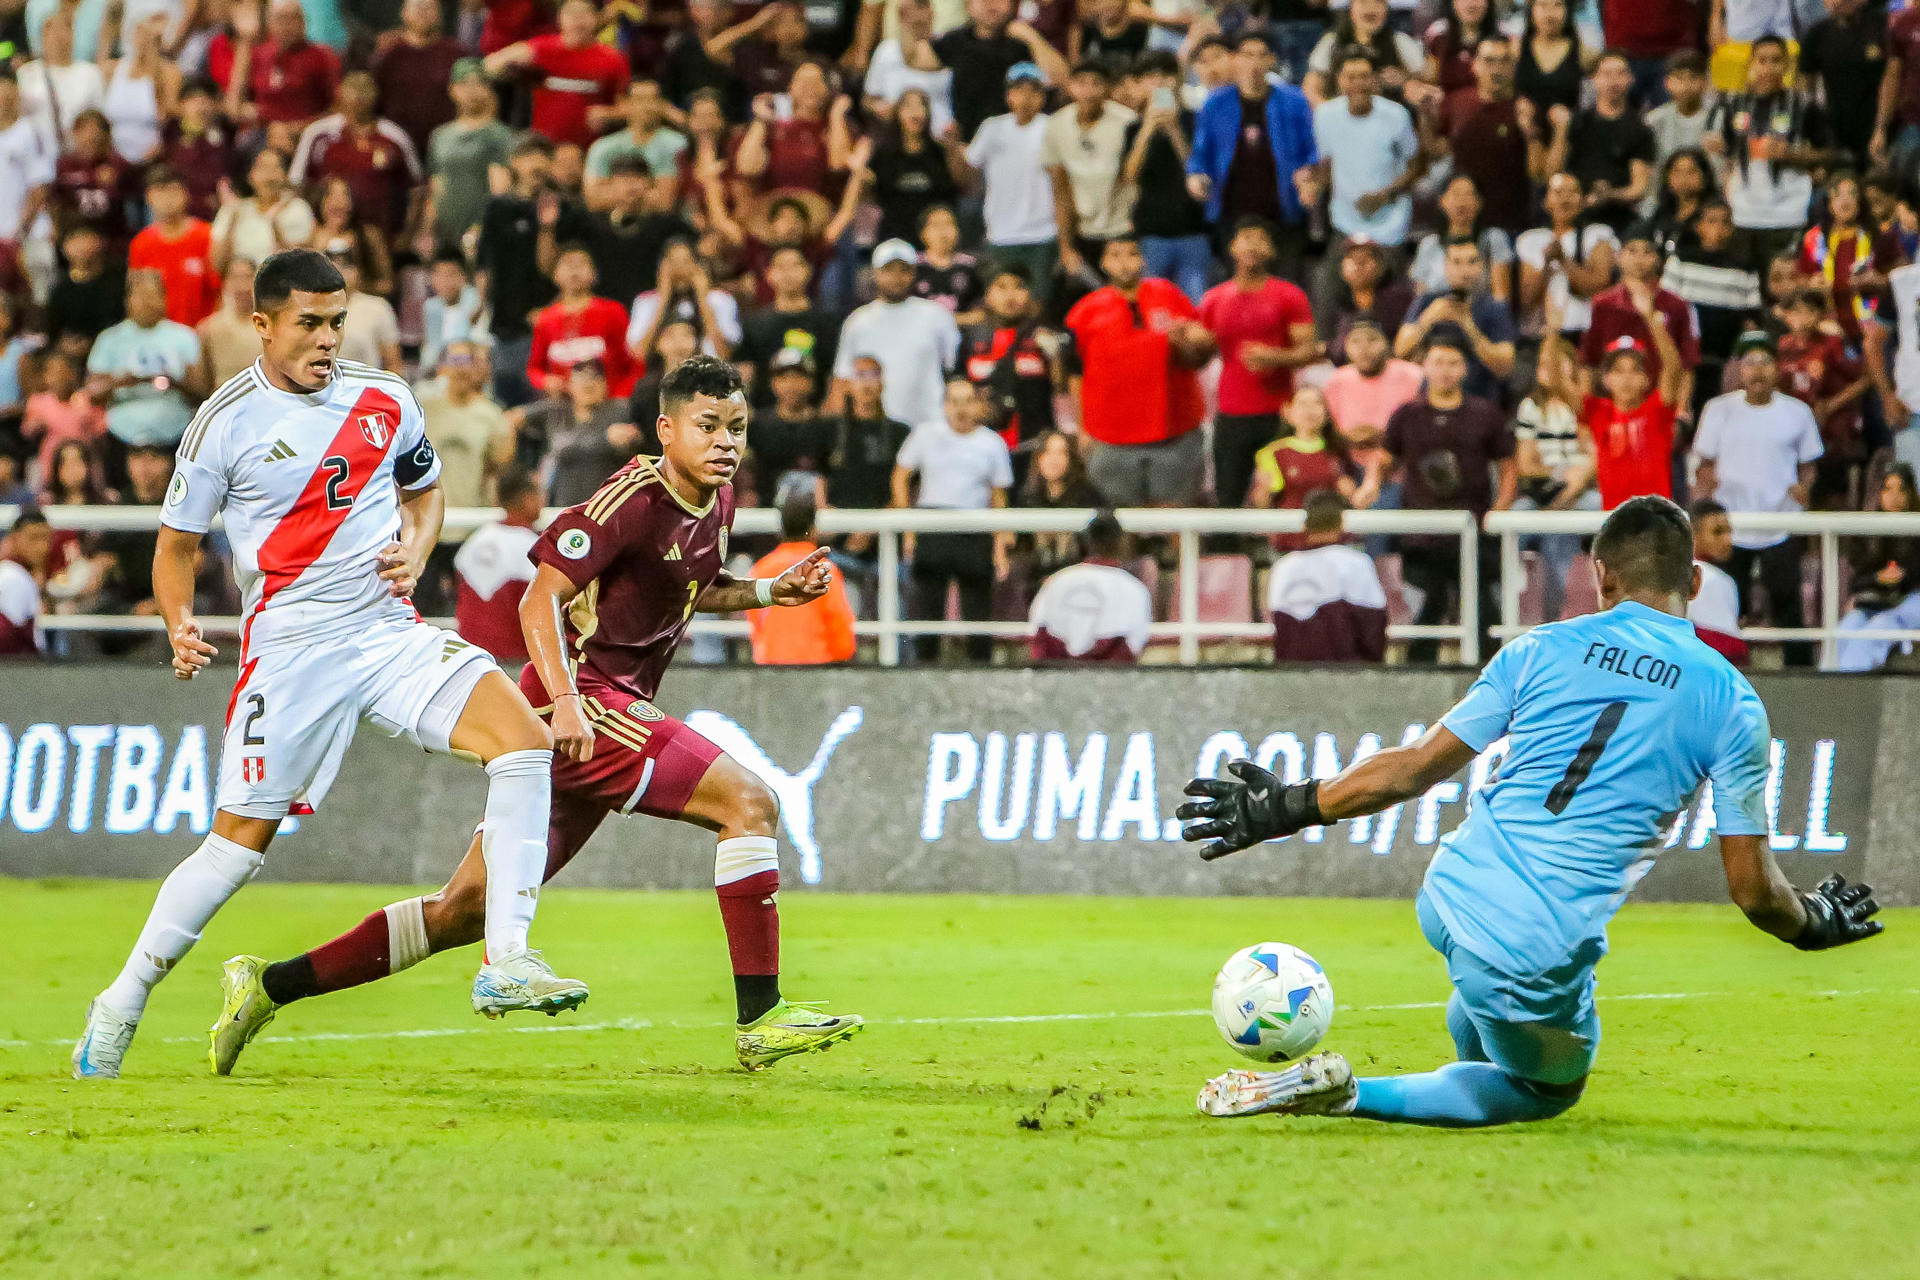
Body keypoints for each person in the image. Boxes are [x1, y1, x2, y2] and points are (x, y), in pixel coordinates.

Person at [214, 356, 866, 1076]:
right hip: (585, 700)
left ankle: (267, 985)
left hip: (606, 712)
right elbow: (537, 600)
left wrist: (771, 592)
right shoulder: (629, 499)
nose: (725, 442)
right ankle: (761, 1018)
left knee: (462, 910)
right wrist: (562, 704)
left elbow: (692, 585)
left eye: (736, 428)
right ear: (666, 429)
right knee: (749, 802)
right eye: (708, 426)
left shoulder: (717, 500)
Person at [1182, 495, 1884, 1126]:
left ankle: (1477, 1054)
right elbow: (1754, 890)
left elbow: (1413, 769)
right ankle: (1343, 1093)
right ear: (1694, 581)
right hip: (1532, 942)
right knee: (1544, 1090)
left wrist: (1290, 806)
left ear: (1601, 575)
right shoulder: (1731, 702)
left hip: (1452, 888)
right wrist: (1809, 926)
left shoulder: (1539, 649)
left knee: (1487, 1002)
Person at [73, 249, 582, 1082]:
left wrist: (416, 550)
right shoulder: (223, 421)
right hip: (292, 651)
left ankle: (508, 961)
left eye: (336, 321)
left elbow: (425, 493)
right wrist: (178, 622)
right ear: (262, 324)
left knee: (524, 744)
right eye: (308, 323)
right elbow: (175, 549)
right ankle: (121, 1001)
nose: (326, 338)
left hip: (385, 629)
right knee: (237, 848)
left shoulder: (383, 395)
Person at [1692, 329, 1824, 666]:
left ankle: (1802, 674)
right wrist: (1708, 497)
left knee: (1787, 604)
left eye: (1764, 361)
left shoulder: (1797, 412)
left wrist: (1804, 488)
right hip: (1730, 527)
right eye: (1749, 362)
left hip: (1780, 522)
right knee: (1724, 604)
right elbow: (1704, 465)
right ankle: (1726, 669)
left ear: (1776, 367)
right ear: (1739, 368)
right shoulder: (1718, 410)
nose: (1757, 370)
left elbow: (1809, 465)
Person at [1383, 334, 1515, 663]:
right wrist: (1369, 485)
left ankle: (1493, 671)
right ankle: (1417, 673)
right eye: (1438, 362)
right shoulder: (1406, 415)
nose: (1445, 371)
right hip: (1421, 535)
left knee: (1484, 608)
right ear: (1424, 366)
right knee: (1429, 607)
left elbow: (1509, 465)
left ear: (1465, 369)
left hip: (1474, 531)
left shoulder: (1485, 414)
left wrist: (1499, 510)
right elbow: (1384, 460)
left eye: (1453, 363)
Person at [1065, 236, 1212, 507]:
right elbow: (1075, 374)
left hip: (1176, 430)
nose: (1125, 263)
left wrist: (1194, 343)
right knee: (1118, 522)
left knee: (1176, 517)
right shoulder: (1084, 312)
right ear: (1104, 263)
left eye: (1132, 254)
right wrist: (1083, 429)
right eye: (1116, 255)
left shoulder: (1170, 295)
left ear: (1143, 260)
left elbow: (1201, 349)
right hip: (1110, 435)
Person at [1201, 218, 1320, 512]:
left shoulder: (1289, 295)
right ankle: (1230, 552)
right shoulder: (1214, 299)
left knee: (1287, 491)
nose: (1253, 246)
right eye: (1246, 238)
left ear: (1272, 251)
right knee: (1228, 493)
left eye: (1260, 240)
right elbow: (1201, 350)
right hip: (1231, 411)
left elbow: (1310, 349)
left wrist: (1275, 357)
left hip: (1279, 412)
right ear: (1232, 247)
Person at [892, 377, 1015, 663]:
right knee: (927, 609)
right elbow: (900, 477)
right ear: (945, 405)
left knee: (977, 612)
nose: (961, 409)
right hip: (932, 525)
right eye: (954, 402)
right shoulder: (926, 434)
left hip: (975, 528)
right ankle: (924, 667)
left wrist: (999, 547)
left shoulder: (992, 443)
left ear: (979, 405)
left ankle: (980, 670)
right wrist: (909, 528)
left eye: (968, 401)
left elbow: (999, 497)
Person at [1188, 33, 1320, 275]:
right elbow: (1200, 155)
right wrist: (1197, 177)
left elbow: (1310, 152)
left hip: (1283, 213)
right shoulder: (1215, 104)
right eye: (1248, 55)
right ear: (1235, 60)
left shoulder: (1294, 101)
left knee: (1285, 286)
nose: (1254, 63)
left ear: (1272, 61)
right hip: (1232, 214)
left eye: (1262, 55)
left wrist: (1307, 176)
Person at [1703, 36, 1841, 266]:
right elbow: (1729, 152)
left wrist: (1792, 155)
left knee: (1783, 283)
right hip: (1743, 213)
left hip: (1789, 213)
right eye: (1762, 60)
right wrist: (1719, 147)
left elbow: (1831, 154)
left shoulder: (1803, 106)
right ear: (1751, 65)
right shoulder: (1734, 105)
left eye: (1775, 61)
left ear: (1787, 65)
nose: (1768, 68)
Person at [1511, 334, 1599, 622]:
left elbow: (1593, 460)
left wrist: (1573, 486)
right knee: (1515, 518)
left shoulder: (1585, 409)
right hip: (1545, 492)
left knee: (1596, 508)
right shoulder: (1531, 407)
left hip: (1580, 492)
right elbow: (1527, 464)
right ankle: (1504, 592)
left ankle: (1565, 611)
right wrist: (1559, 478)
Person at [831, 238, 960, 429]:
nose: (896, 277)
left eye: (903, 270)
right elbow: (843, 379)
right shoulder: (858, 321)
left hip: (929, 426)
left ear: (913, 273)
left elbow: (951, 369)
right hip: (877, 428)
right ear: (875, 273)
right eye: (888, 270)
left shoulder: (937, 316)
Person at [1311, 48, 1424, 251]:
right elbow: (1324, 167)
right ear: (1339, 81)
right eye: (1351, 77)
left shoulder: (1397, 116)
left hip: (1391, 225)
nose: (1358, 85)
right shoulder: (1324, 116)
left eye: (1364, 77)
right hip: (1344, 222)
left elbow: (1416, 166)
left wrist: (1384, 195)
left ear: (1374, 80)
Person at [908, 0, 1071, 142]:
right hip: (969, 142)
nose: (991, 4)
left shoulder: (1022, 42)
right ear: (968, 6)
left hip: (1017, 140)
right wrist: (907, 22)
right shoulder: (958, 39)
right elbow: (915, 60)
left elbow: (1060, 78)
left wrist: (1030, 37)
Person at [1660, 199, 1763, 419]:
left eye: (1725, 223)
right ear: (1699, 226)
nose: (1719, 228)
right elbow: (1666, 310)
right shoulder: (1681, 260)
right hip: (1683, 359)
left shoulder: (1745, 268)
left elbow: (1750, 319)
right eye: (1712, 221)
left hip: (1724, 358)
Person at [1042, 58, 1138, 294]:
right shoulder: (1056, 125)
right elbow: (1060, 188)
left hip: (1123, 228)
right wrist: (1065, 247)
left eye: (1097, 83)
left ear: (1107, 88)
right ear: (1071, 87)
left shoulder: (1127, 122)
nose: (1089, 90)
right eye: (1081, 83)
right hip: (1084, 231)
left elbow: (1136, 177)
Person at [1123, 49, 1210, 304]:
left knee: (1195, 304)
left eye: (1165, 75)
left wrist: (1173, 129)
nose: (1159, 82)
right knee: (1153, 304)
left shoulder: (1195, 120)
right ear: (1141, 83)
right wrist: (1148, 128)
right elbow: (1130, 176)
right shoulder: (1133, 128)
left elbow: (1197, 170)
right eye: (1151, 76)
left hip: (1192, 228)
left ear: (1177, 79)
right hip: (1152, 231)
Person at [86, 270, 206, 454]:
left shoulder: (184, 337)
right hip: (122, 429)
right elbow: (92, 393)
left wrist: (173, 382)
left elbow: (201, 392)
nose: (147, 302)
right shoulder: (110, 339)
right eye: (140, 295)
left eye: (152, 295)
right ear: (128, 300)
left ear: (164, 299)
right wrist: (122, 381)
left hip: (175, 427)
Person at [484, 0, 630, 150]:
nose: (578, 23)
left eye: (583, 16)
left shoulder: (612, 60)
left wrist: (610, 114)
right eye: (572, 16)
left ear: (596, 20)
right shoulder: (543, 49)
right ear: (561, 19)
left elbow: (629, 108)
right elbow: (491, 64)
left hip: (589, 149)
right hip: (544, 148)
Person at [965, 63, 1058, 298]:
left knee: (1037, 303)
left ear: (1042, 97)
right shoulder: (992, 128)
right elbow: (970, 169)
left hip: (1043, 234)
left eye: (1033, 91)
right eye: (1019, 90)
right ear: (1009, 96)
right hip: (1001, 234)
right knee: (1003, 304)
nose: (1026, 98)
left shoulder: (1052, 127)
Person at [1580, 226, 1699, 409]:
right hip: (1613, 410)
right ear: (1618, 256)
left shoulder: (1677, 305)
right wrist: (1589, 413)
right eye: (1632, 251)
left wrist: (1682, 409)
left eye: (1647, 252)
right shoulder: (1602, 305)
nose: (1639, 259)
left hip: (1661, 407)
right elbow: (1590, 363)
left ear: (1658, 259)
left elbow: (1687, 365)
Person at [1267, 490, 1388, 663]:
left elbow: (1280, 630)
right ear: (1341, 523)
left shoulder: (1283, 567)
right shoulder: (1356, 563)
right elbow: (1373, 626)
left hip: (1293, 676)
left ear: (1306, 524)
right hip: (1345, 675)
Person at [1774, 290, 1869, 509]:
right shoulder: (1783, 346)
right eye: (1795, 312)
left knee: (1833, 494)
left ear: (1818, 315)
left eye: (1807, 312)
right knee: (1804, 494)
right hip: (1796, 430)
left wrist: (1831, 405)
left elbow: (1865, 378)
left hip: (1831, 430)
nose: (1800, 319)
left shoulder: (1832, 344)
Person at [1541, 50, 1652, 235]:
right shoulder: (1576, 122)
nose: (1613, 81)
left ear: (1631, 79)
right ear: (1594, 80)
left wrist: (1609, 195)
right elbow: (1551, 173)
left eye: (1620, 73)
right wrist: (1561, 130)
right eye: (1607, 74)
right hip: (1573, 215)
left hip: (1617, 218)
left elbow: (1639, 187)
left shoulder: (1639, 129)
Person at [1395, 236, 1517, 405]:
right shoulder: (1427, 302)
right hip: (1431, 404)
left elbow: (1505, 367)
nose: (1464, 270)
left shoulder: (1495, 308)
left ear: (1481, 267)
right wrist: (1428, 318)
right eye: (1457, 262)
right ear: (1446, 267)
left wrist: (1468, 325)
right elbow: (1400, 351)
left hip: (1480, 402)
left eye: (1471, 262)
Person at [960, 264, 1062, 459]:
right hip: (980, 448)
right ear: (987, 295)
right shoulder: (970, 338)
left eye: (1019, 287)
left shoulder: (1044, 334)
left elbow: (1062, 389)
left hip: (1034, 448)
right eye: (1001, 287)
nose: (1011, 295)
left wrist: (1055, 355)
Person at [748, 487, 857, 665]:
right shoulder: (824, 569)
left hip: (769, 666)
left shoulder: (761, 569)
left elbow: (755, 623)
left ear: (781, 529)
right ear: (813, 528)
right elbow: (840, 629)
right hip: (815, 666)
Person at [1323, 318, 1424, 507]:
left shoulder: (1413, 376)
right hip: (1349, 469)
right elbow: (1327, 431)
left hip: (1397, 470)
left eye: (1372, 340)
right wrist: (1347, 438)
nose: (1364, 348)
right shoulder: (1337, 380)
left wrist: (1384, 437)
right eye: (1355, 342)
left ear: (1386, 343)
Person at [1027, 510, 1152, 663]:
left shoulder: (1055, 582)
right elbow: (1132, 647)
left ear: (1085, 542)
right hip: (1109, 681)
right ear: (1121, 542)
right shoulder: (1135, 590)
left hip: (1056, 677)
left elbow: (1039, 640)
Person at [454, 468, 544, 665]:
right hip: (515, 658)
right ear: (527, 498)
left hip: (469, 655)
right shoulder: (533, 548)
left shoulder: (477, 538)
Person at [1834, 465, 1920, 671]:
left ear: (1911, 493)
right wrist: (1879, 578)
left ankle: (1851, 690)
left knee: (1879, 628)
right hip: (1875, 603)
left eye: (1901, 490)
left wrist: (1903, 576)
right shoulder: (1870, 531)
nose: (1894, 496)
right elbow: (1858, 581)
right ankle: (1837, 688)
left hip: (1908, 603)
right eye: (1888, 489)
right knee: (1848, 626)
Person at [1247, 387, 1355, 548]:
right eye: (1303, 404)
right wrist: (1263, 491)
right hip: (1290, 542)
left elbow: (1353, 497)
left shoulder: (1339, 451)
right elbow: (1263, 502)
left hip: (1334, 542)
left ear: (1326, 412)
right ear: (1288, 412)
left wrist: (1355, 492)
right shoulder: (1273, 453)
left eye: (1317, 404)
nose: (1310, 410)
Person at [428, 59, 518, 252]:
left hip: (481, 233)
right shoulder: (439, 135)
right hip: (446, 232)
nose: (472, 90)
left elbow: (500, 188)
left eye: (479, 83)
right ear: (452, 89)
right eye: (465, 83)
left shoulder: (498, 134)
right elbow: (437, 183)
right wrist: (428, 228)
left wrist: (482, 226)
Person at [1516, 172, 1618, 342]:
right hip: (1544, 331)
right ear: (1546, 201)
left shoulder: (1598, 235)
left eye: (1573, 192)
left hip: (1587, 330)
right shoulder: (1532, 239)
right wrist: (1548, 266)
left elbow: (1600, 286)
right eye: (1558, 192)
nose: (1565, 199)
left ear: (1583, 200)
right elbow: (1528, 299)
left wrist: (1563, 260)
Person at [527, 244, 636, 400]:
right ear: (555, 275)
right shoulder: (545, 320)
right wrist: (545, 381)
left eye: (581, 264)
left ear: (594, 274)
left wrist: (621, 396)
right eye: (567, 264)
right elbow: (534, 369)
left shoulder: (613, 311)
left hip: (607, 403)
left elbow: (630, 362)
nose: (574, 271)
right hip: (563, 406)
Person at [418, 341, 513, 511]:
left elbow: (499, 468)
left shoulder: (491, 416)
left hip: (473, 519)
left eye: (466, 361)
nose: (460, 368)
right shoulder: (424, 411)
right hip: (432, 518)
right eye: (454, 360)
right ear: (441, 368)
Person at [129, 168, 221, 331]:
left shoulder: (207, 236)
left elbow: (219, 289)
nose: (167, 199)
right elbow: (136, 297)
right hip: (160, 338)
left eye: (173, 191)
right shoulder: (141, 244)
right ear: (149, 198)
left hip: (202, 332)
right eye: (160, 192)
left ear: (186, 194)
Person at [1407, 173, 1515, 307]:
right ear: (1442, 201)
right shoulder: (1429, 244)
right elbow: (1420, 297)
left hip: (1479, 317)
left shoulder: (1493, 238)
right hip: (1437, 315)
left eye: (1468, 195)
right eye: (1455, 194)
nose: (1461, 201)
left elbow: (1501, 298)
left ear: (1479, 202)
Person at [210, 147, 316, 277]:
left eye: (275, 168)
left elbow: (302, 265)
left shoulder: (298, 209)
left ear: (284, 175)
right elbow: (216, 265)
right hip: (241, 287)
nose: (269, 175)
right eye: (263, 167)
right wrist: (233, 220)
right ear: (250, 175)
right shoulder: (232, 210)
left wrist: (275, 228)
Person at [747, 348, 833, 507]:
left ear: (812, 382)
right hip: (766, 517)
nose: (791, 385)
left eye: (799, 377)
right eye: (784, 377)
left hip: (816, 514)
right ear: (773, 382)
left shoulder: (827, 427)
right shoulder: (756, 426)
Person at [1642, 51, 1711, 217]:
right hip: (1663, 202)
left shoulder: (1716, 119)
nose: (1686, 85)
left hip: (1707, 203)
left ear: (1704, 82)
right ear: (1667, 83)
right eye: (1679, 78)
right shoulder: (1653, 121)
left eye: (1693, 78)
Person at [1687, 496, 1747, 664]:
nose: (1727, 540)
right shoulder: (1711, 578)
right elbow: (1729, 648)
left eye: (1729, 531)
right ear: (1692, 534)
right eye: (1717, 532)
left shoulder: (1721, 578)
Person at [197, 256, 259, 389]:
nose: (242, 285)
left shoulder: (272, 326)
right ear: (226, 282)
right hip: (225, 399)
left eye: (247, 277)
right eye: (235, 278)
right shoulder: (208, 328)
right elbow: (203, 382)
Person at [0, 506, 49, 657]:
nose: (42, 547)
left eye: (46, 538)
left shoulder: (19, 574)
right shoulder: (14, 576)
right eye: (33, 538)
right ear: (14, 538)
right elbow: (5, 638)